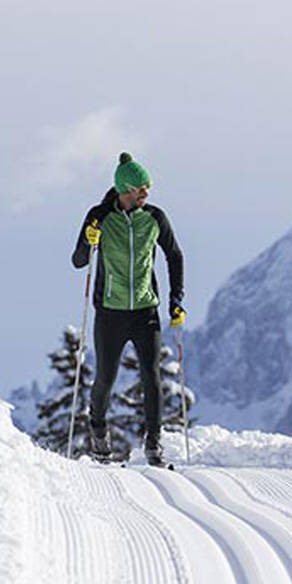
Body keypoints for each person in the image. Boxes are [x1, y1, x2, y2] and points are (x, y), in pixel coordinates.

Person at [71, 152, 185, 466]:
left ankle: (154, 443)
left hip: (145, 311)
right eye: (139, 189)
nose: (145, 194)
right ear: (124, 190)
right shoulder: (100, 216)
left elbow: (174, 256)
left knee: (152, 377)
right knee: (106, 378)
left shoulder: (155, 218)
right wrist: (87, 240)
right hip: (110, 312)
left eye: (147, 188)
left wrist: (177, 300)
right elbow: (79, 261)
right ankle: (98, 431)